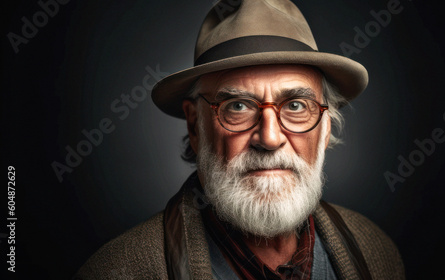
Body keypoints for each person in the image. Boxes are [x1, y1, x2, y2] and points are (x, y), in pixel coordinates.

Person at [76, 0, 405, 279]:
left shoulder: (376, 252)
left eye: (295, 105)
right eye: (238, 106)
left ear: (326, 126)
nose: (270, 137)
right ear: (195, 125)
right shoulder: (118, 270)